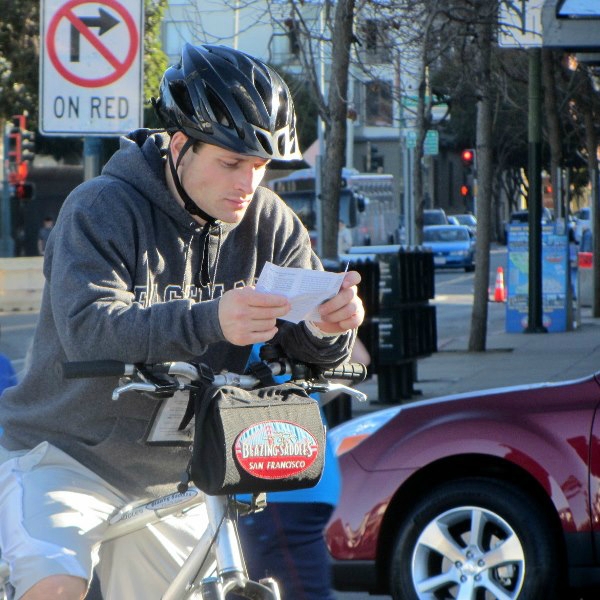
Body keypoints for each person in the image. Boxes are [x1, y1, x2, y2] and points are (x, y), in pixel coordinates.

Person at [0, 43, 364, 600]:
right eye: (230, 162)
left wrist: (328, 328)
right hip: (63, 456)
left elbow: (298, 345)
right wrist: (211, 319)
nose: (248, 183)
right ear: (178, 147)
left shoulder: (273, 225)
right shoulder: (100, 207)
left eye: (261, 166)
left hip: (177, 476)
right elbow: (89, 328)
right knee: (55, 588)